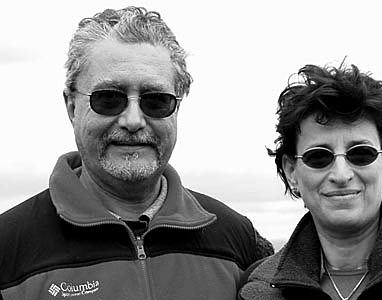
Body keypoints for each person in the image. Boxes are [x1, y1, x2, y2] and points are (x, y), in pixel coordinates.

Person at [0, 7, 273, 300]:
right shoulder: (7, 249)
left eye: (156, 101)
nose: (133, 120)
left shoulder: (239, 241)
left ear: (176, 109)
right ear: (71, 107)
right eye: (108, 98)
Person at [238, 63, 382, 299]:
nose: (341, 174)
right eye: (318, 156)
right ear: (291, 171)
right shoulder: (256, 288)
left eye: (361, 154)